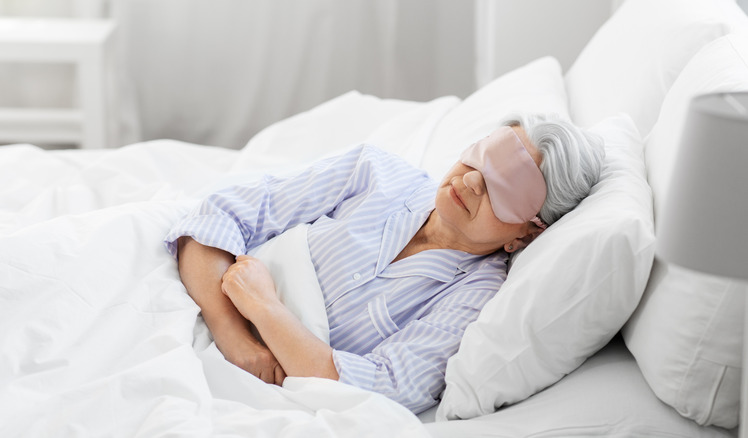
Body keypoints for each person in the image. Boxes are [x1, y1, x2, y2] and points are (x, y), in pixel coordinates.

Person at [164, 112, 604, 414]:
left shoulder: (476, 302)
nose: (469, 181)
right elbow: (217, 217)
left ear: (527, 232)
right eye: (480, 157)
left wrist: (266, 309)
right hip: (183, 305)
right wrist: (233, 333)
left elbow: (380, 388)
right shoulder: (372, 171)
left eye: (501, 189)